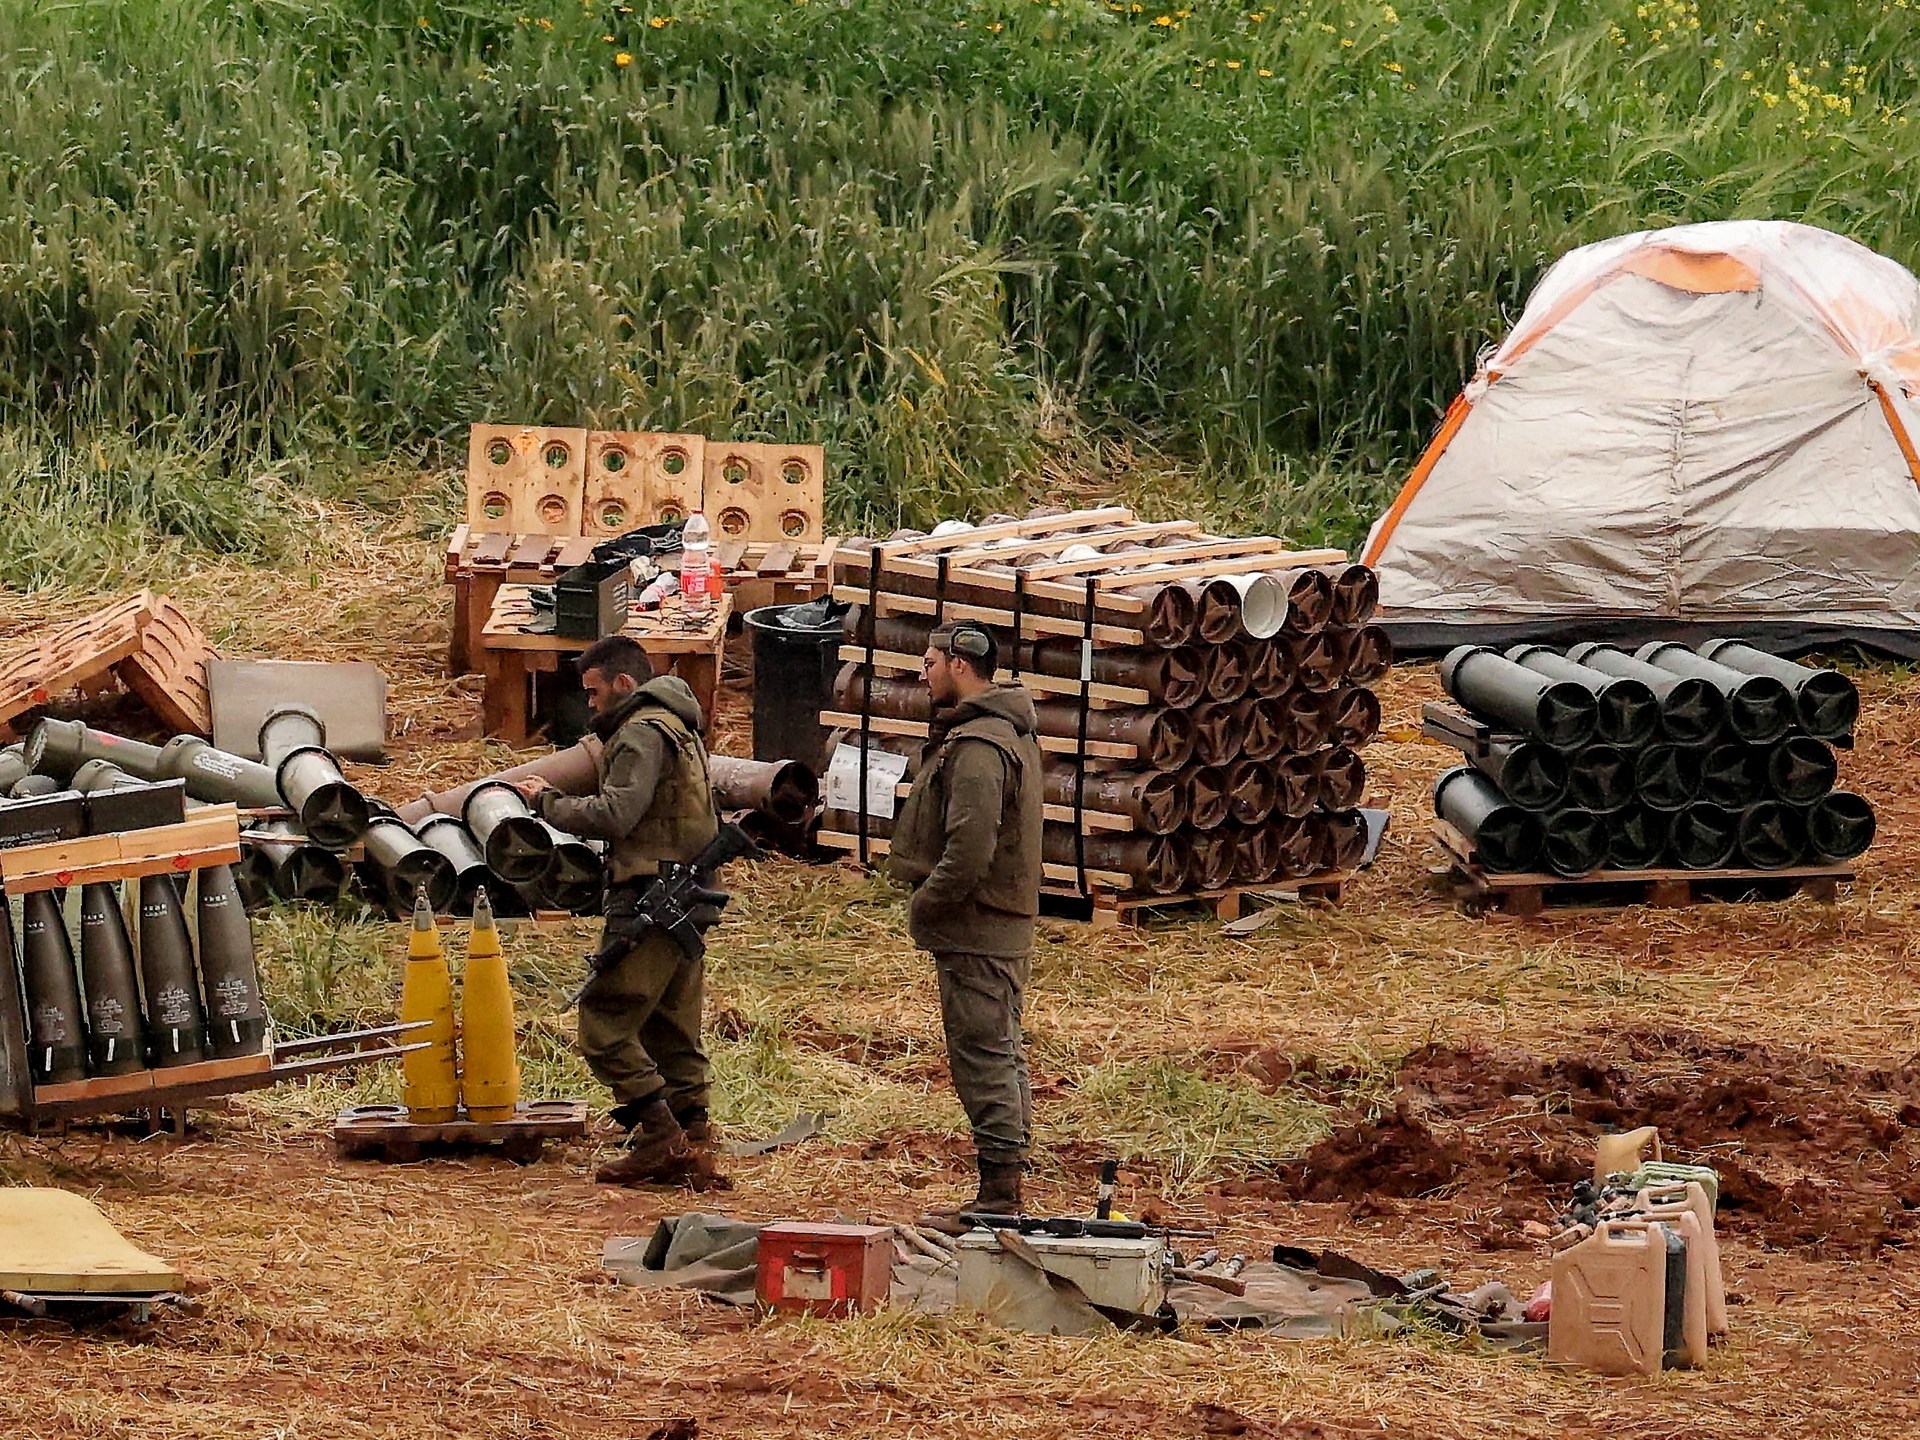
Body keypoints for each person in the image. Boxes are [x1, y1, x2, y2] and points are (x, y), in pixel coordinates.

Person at [517, 634, 721, 1187]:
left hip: (653, 896)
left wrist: (545, 802)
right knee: (671, 1021)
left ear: (623, 685)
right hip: (692, 892)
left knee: (604, 1021)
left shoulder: (639, 733)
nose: (590, 703)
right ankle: (691, 1131)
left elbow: (615, 814)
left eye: (594, 691)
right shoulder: (680, 725)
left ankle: (660, 1137)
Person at [887, 620, 1044, 1219]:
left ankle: (1000, 1197)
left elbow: (969, 851)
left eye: (929, 663)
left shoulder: (980, 747)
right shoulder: (1006, 734)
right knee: (998, 1046)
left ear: (959, 664)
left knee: (983, 1051)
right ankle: (1003, 1185)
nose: (923, 675)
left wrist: (925, 902)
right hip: (993, 923)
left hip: (980, 925)